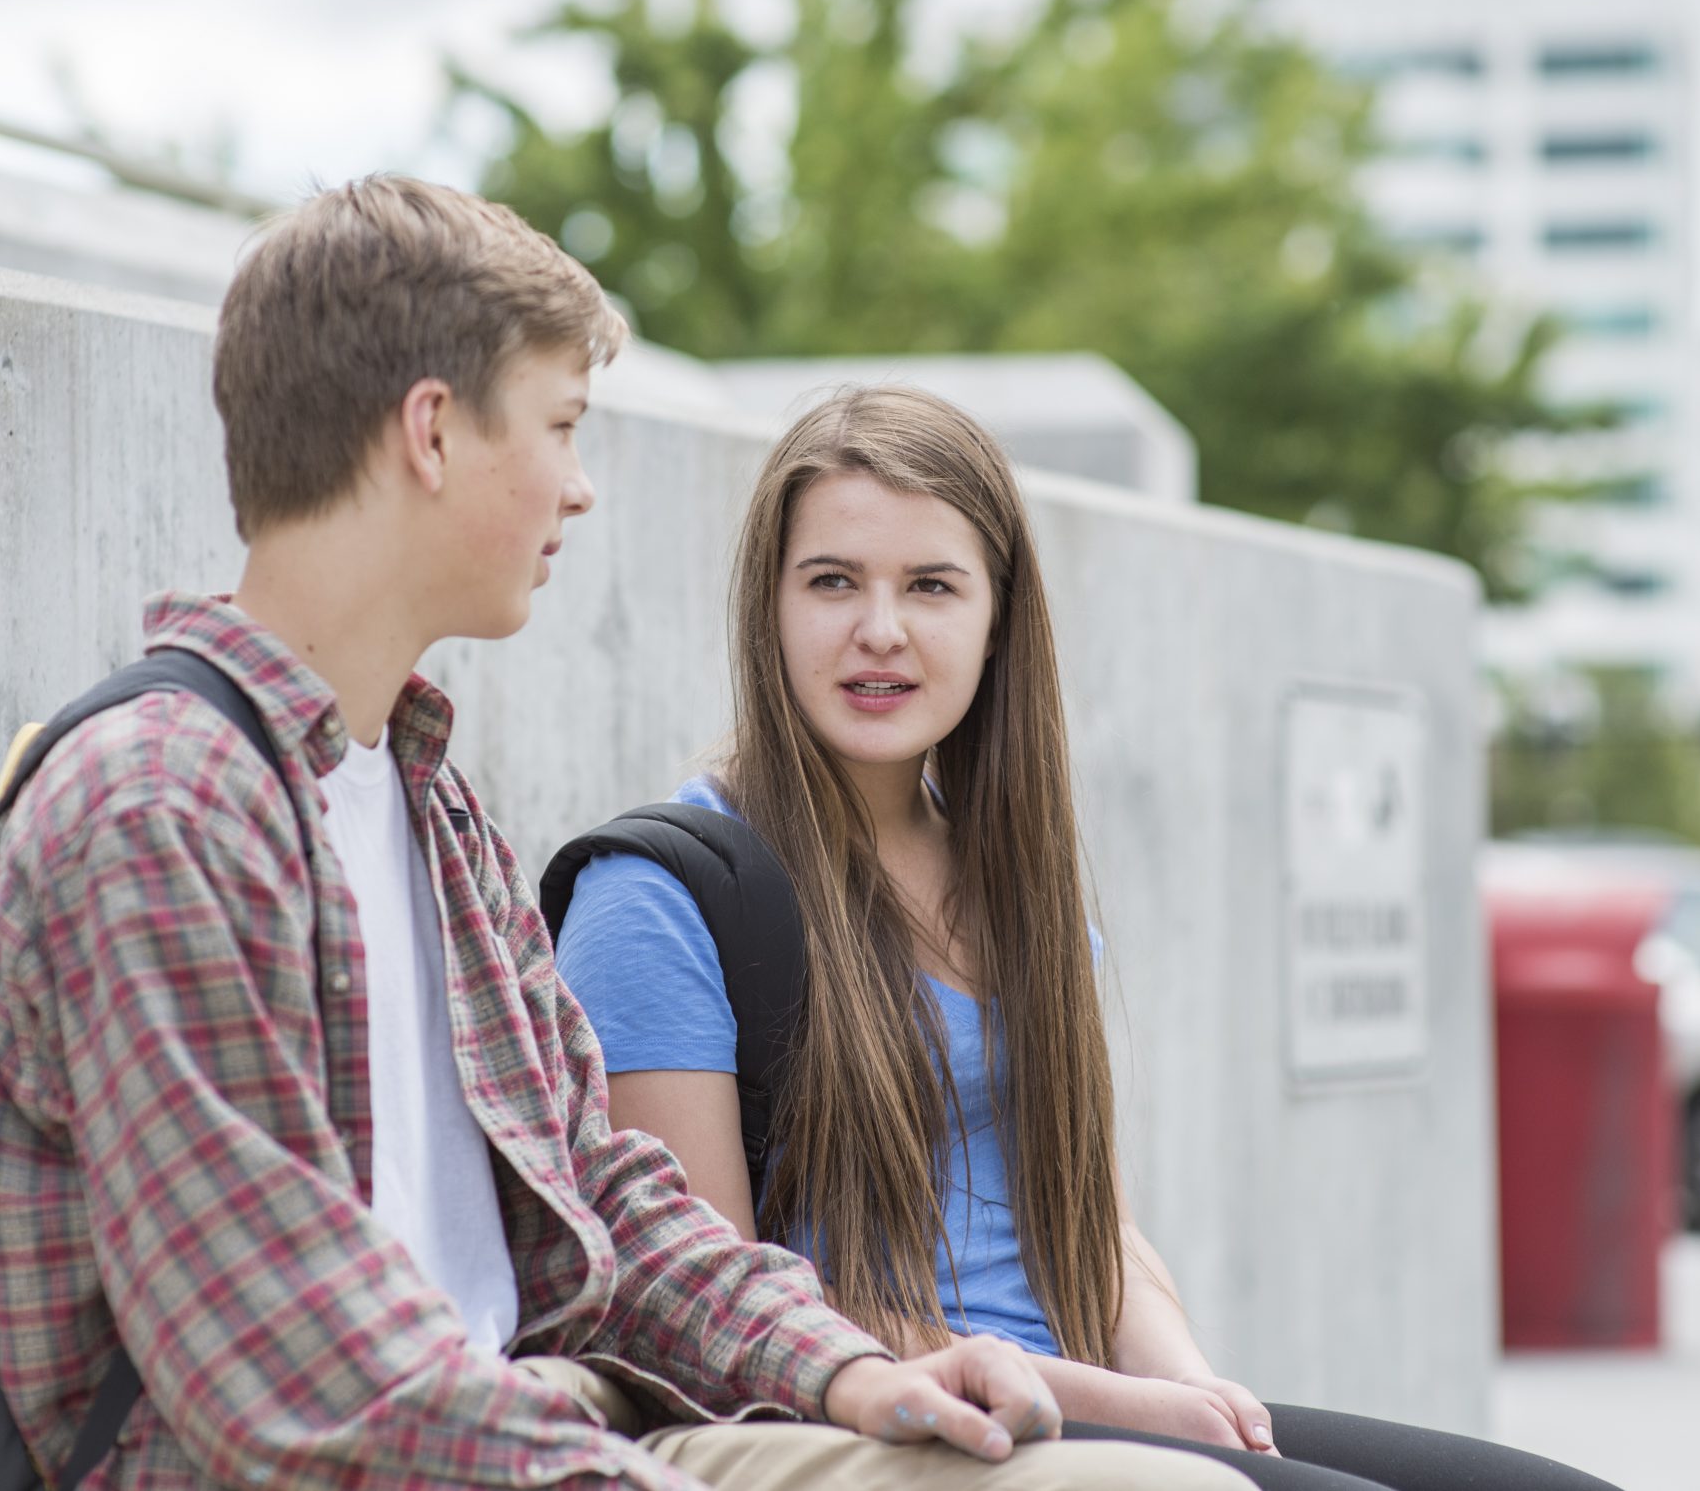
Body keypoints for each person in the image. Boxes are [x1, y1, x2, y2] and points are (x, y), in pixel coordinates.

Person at [0, 180, 1244, 1491]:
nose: (579, 489)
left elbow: (611, 1208)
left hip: (551, 1419)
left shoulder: (425, 806)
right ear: (433, 433)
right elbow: (298, 1381)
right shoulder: (157, 811)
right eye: (563, 426)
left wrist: (856, 1373)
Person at [551, 386, 1621, 1491]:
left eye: (931, 584)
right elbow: (710, 1311)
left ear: (996, 618)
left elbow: (1097, 1230)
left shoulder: (1013, 882)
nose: (881, 627)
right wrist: (1117, 1405)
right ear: (766, 609)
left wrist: (1199, 1397)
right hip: (865, 1417)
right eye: (832, 581)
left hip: (1074, 1404)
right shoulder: (661, 893)